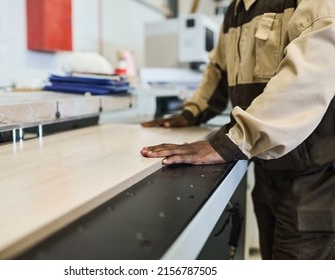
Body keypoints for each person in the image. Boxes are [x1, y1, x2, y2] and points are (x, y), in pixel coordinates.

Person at [140, 0, 335, 260]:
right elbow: (218, 69)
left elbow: (308, 78)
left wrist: (229, 142)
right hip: (267, 172)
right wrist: (192, 112)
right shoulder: (236, 9)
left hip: (314, 181)